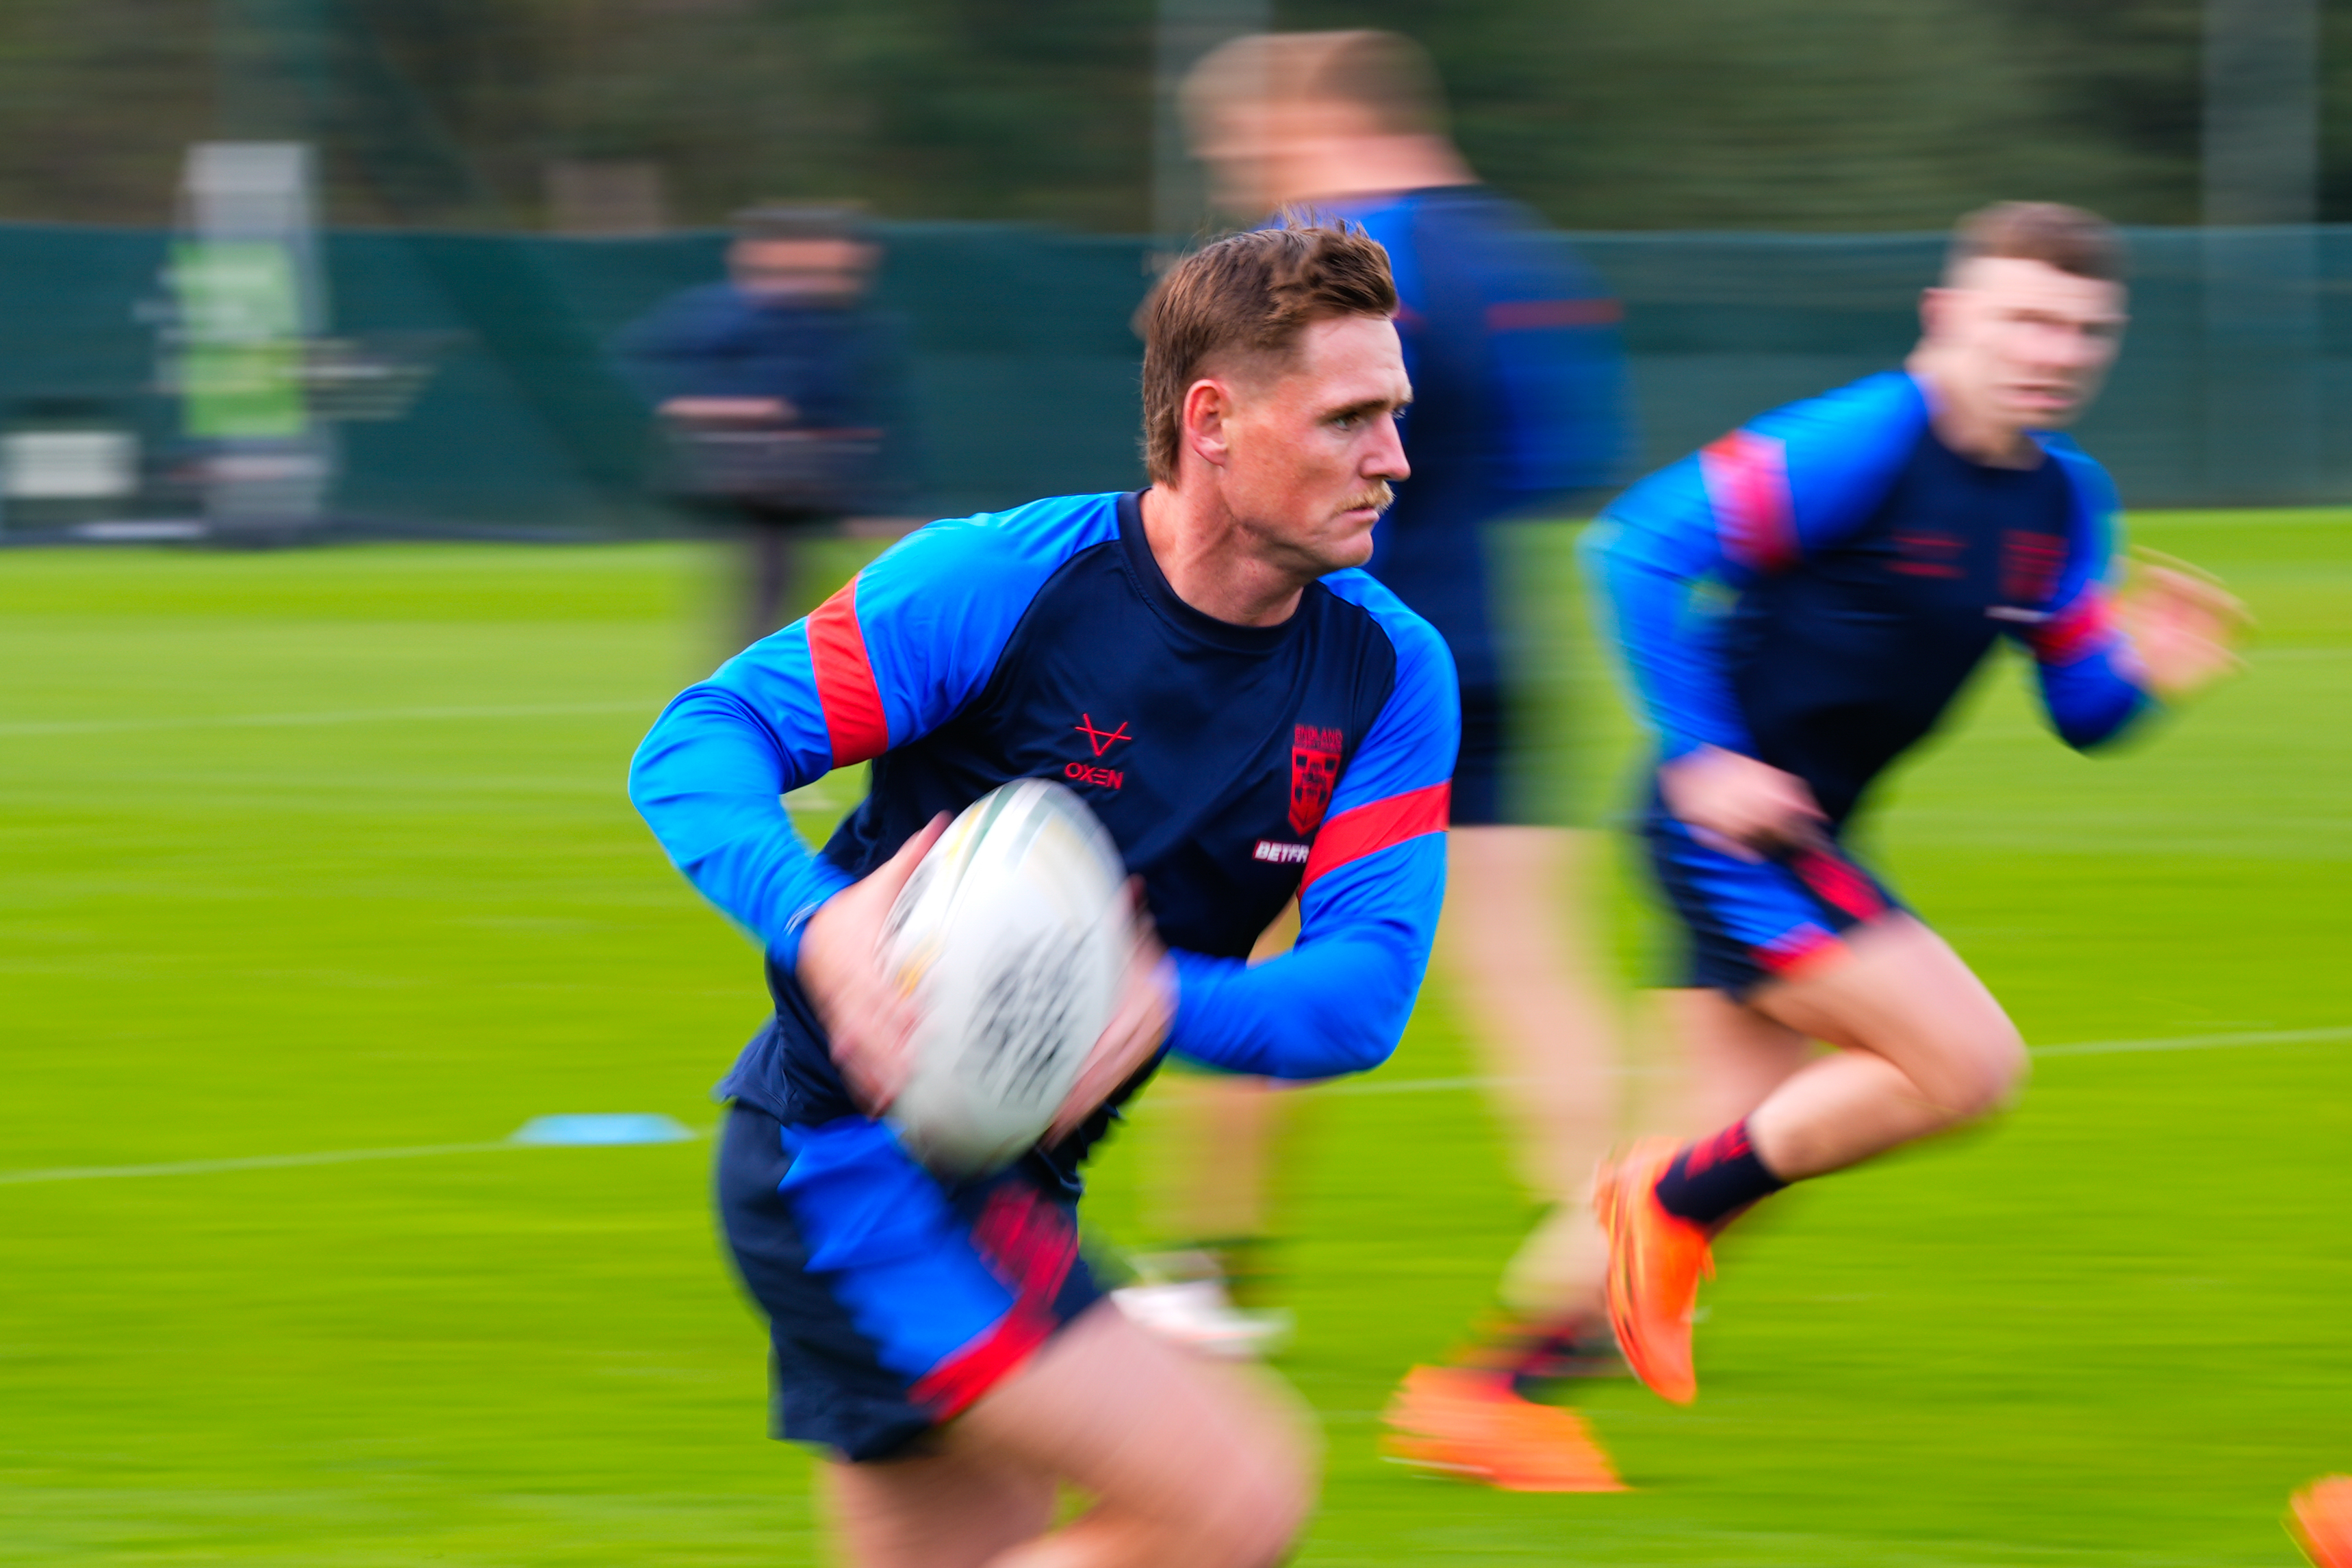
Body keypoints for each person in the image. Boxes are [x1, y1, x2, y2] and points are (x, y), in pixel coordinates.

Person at [629, 217, 1458, 1568]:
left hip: (1010, 1178)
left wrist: (1156, 1000)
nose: (1393, 458)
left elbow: (1363, 993)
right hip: (847, 1163)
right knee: (1236, 1496)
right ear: (1212, 421)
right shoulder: (1004, 582)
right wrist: (817, 918)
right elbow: (699, 741)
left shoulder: (1387, 672)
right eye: (1348, 418)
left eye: (1395, 415)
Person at [1585, 202, 2247, 1408]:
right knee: (1965, 1065)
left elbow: (2082, 708)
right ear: (1947, 316)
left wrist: (2150, 672)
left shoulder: (2066, 501)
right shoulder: (1867, 441)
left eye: (2085, 331)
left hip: (1803, 834)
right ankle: (1660, 1204)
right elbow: (1635, 548)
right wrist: (1702, 753)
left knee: (1741, 1131)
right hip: (1728, 833)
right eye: (2026, 319)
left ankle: (1488, 1396)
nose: (2055, 352)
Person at [1140, 28, 1635, 1492]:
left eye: (1244, 148)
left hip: (1341, 660)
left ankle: (1210, 1272)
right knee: (1530, 972)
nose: (1242, 180)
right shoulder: (1510, 246)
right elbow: (1560, 446)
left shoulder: (1342, 261)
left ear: (1314, 122)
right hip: (1490, 645)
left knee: (1241, 940)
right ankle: (1613, 1245)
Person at [616, 204, 910, 648]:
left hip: (818, 476)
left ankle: (778, 667)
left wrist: (873, 497)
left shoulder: (845, 320)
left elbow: (856, 404)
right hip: (762, 475)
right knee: (773, 587)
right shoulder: (729, 310)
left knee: (802, 590)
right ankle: (757, 675)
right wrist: (722, 405)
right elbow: (653, 364)